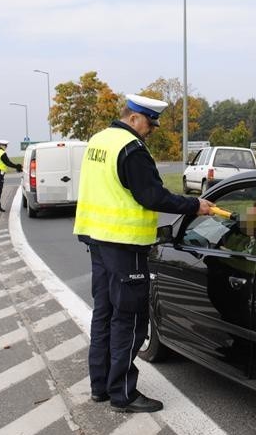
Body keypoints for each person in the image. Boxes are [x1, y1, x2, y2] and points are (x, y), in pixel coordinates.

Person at [74, 93, 213, 414]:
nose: (150, 130)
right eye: (150, 123)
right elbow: (151, 196)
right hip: (125, 244)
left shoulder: (98, 140)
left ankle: (101, 387)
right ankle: (123, 393)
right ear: (134, 117)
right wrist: (194, 205)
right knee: (130, 319)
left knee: (105, 315)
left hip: (97, 239)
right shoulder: (131, 148)